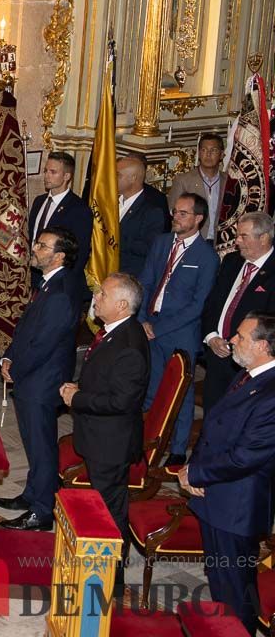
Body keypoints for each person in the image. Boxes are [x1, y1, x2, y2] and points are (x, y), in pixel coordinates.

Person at [179, 312, 275, 636]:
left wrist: (197, 473)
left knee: (237, 592)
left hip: (236, 507)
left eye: (241, 336)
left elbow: (245, 457)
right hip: (215, 496)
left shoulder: (271, 393)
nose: (232, 340)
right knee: (221, 584)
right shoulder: (249, 375)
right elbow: (214, 430)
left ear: (263, 345)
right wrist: (195, 471)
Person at [59, 273, 148, 582]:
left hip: (111, 443)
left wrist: (78, 398)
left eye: (103, 295)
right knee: (105, 505)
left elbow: (121, 402)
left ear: (122, 305)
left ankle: (110, 579)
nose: (96, 298)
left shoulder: (130, 346)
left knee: (110, 512)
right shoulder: (113, 331)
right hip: (98, 435)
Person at [0, 227, 81, 531]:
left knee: (43, 447)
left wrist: (16, 370)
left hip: (42, 381)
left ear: (59, 256)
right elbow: (26, 330)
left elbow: (43, 344)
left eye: (42, 246)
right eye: (37, 244)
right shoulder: (46, 285)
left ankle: (43, 511)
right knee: (33, 443)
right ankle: (31, 494)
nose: (34, 249)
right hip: (30, 376)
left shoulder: (60, 294)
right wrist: (8, 356)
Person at [137, 193, 218, 465]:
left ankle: (178, 449)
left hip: (179, 333)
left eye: (183, 213)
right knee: (150, 387)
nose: (176, 217)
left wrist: (158, 328)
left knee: (180, 393)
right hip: (149, 327)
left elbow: (198, 306)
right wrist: (142, 319)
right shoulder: (161, 243)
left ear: (198, 218)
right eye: (175, 211)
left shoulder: (206, 257)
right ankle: (147, 441)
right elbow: (146, 282)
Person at [199, 212, 275, 414]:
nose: (237, 241)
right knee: (212, 415)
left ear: (264, 238)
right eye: (237, 235)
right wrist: (211, 336)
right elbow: (213, 303)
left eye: (244, 236)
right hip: (217, 354)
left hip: (250, 364)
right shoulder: (231, 261)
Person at [26, 151, 91, 291]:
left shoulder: (79, 209)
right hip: (34, 274)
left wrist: (63, 283)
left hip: (59, 282)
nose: (46, 176)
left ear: (67, 176)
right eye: (45, 171)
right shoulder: (39, 201)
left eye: (53, 172)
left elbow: (80, 253)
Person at [116, 155, 167, 278]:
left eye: (118, 175)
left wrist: (115, 238)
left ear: (133, 178)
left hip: (128, 276)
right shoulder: (109, 202)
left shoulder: (152, 211)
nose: (112, 178)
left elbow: (149, 248)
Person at [168, 133, 225, 242]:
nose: (208, 154)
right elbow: (172, 211)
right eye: (204, 150)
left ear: (222, 155)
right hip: (190, 239)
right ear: (199, 153)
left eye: (213, 150)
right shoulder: (184, 180)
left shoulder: (227, 180)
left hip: (220, 240)